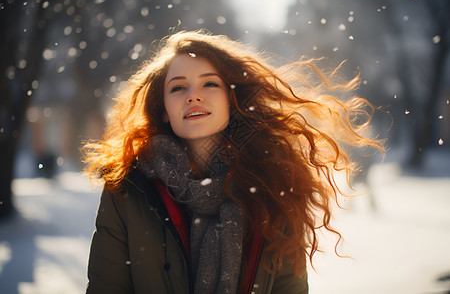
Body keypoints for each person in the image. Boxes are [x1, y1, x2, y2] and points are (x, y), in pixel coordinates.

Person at [82, 30, 383, 294]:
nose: (193, 96)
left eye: (209, 84)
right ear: (163, 110)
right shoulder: (127, 188)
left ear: (231, 98)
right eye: (178, 87)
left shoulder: (272, 184)